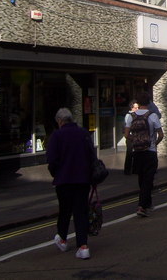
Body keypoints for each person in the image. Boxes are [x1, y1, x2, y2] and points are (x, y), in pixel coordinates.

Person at [46, 107, 95, 260]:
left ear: (60, 121)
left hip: (64, 180)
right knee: (80, 212)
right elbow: (91, 156)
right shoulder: (83, 133)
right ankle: (83, 246)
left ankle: (62, 239)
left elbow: (51, 160)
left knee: (65, 211)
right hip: (82, 180)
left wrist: (56, 173)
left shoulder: (57, 135)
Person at [124, 92, 163, 217]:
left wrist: (135, 140)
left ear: (138, 103)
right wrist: (154, 143)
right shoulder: (152, 116)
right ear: (148, 103)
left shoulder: (131, 116)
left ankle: (147, 204)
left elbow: (126, 135)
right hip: (150, 151)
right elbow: (161, 135)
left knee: (142, 178)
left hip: (137, 152)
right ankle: (141, 206)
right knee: (149, 178)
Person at [123, 100, 139, 175]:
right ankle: (127, 170)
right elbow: (128, 127)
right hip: (130, 136)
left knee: (135, 153)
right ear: (131, 108)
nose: (137, 109)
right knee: (129, 153)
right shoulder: (128, 116)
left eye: (138, 107)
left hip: (135, 136)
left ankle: (135, 169)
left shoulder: (136, 115)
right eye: (135, 108)